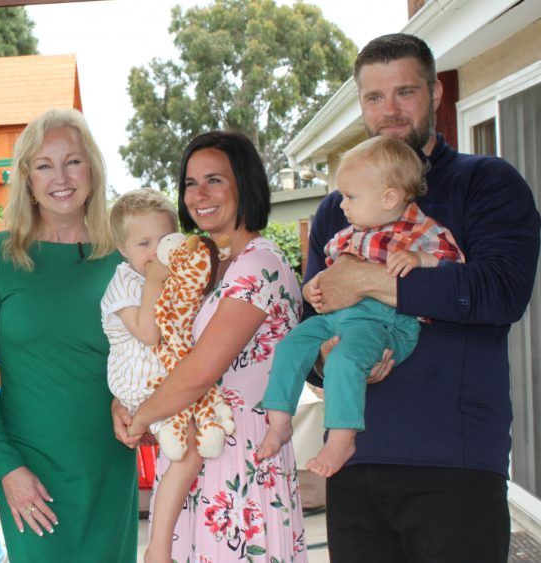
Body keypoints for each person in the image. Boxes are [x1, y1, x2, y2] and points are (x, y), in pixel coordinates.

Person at [305, 33, 540, 562]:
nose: (389, 112)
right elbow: (312, 320)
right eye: (373, 97)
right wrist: (327, 357)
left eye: (405, 92)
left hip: (454, 465)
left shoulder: (487, 182)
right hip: (355, 464)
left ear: (435, 93)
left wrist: (371, 281)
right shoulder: (337, 210)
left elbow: (501, 292)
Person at [116, 131, 306, 561]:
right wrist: (127, 402)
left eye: (215, 180)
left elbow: (200, 371)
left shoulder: (258, 264)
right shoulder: (208, 266)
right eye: (189, 183)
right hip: (197, 456)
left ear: (245, 183)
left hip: (241, 463)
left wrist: (142, 416)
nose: (199, 194)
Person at [0, 108, 138, 562]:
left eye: (73, 161)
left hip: (109, 463)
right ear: (27, 178)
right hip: (30, 472)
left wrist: (142, 407)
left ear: (93, 170)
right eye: (44, 164)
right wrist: (7, 468)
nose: (61, 176)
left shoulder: (122, 258)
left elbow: (150, 352)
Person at [258, 136, 464, 477]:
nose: (341, 205)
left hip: (385, 323)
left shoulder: (422, 232)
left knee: (344, 359)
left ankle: (342, 437)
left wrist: (419, 259)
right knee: (292, 345)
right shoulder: (349, 234)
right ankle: (279, 420)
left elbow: (454, 267)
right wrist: (312, 290)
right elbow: (327, 277)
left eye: (350, 196)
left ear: (389, 197)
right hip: (339, 317)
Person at [101, 188, 196, 563]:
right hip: (137, 380)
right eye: (143, 243)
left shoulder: (176, 278)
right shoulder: (125, 281)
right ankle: (157, 549)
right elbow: (148, 332)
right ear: (123, 248)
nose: (156, 252)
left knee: (186, 452)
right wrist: (156, 281)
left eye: (164, 240)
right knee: (187, 453)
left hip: (162, 377)